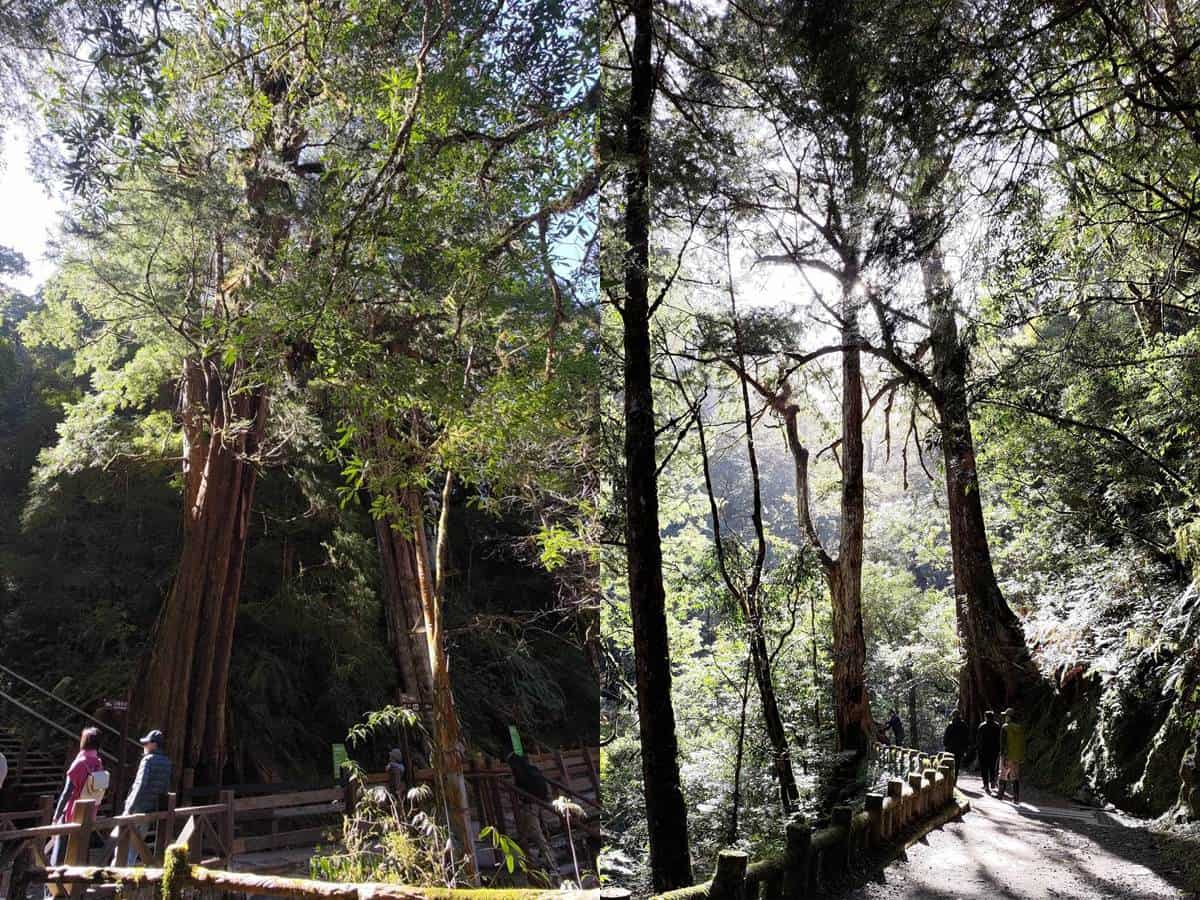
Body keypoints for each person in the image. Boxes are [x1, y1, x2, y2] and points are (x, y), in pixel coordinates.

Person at [49, 728, 106, 870]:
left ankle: (52, 890)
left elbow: (66, 793)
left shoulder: (79, 764)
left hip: (72, 815)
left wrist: (56, 816)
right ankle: (78, 889)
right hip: (89, 815)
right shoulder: (98, 764)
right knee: (81, 854)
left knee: (59, 857)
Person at [116, 730, 172, 865]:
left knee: (121, 844)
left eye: (147, 743)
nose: (144, 745)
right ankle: (125, 877)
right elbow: (164, 786)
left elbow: (140, 785)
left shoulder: (147, 760)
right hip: (150, 808)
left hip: (137, 807)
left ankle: (117, 877)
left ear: (154, 745)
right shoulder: (167, 762)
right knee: (136, 847)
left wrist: (129, 807)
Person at [505, 752, 557, 875]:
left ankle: (551, 863)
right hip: (539, 803)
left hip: (529, 805)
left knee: (536, 834)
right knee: (534, 832)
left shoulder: (520, 772)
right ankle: (536, 861)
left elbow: (521, 788)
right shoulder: (532, 769)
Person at [998, 708, 1026, 803]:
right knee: (1015, 777)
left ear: (1009, 717)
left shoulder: (1005, 727)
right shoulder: (1020, 728)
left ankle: (1000, 795)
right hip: (1017, 757)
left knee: (1003, 774)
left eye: (1006, 716)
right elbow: (1022, 744)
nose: (1005, 718)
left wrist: (1003, 755)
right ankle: (1016, 798)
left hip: (1007, 755)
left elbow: (1003, 743)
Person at [978, 710, 1002, 794]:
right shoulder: (997, 726)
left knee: (984, 768)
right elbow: (999, 739)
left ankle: (986, 784)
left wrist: (979, 749)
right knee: (992, 767)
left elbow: (979, 740)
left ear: (986, 717)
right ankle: (992, 782)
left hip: (984, 750)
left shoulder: (982, 726)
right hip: (994, 751)